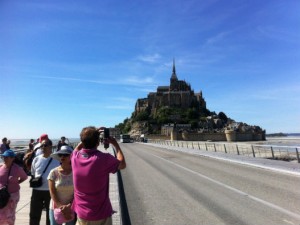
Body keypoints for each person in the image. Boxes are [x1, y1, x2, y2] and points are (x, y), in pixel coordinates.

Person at [71, 126, 126, 225]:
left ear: (82, 141)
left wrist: (90, 135)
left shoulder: (75, 157)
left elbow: (78, 148)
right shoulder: (104, 159)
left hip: (81, 214)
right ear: (98, 142)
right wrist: (115, 144)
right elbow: (122, 164)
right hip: (101, 214)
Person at [30, 139, 60, 225]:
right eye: (41, 145)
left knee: (49, 215)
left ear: (51, 146)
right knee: (34, 214)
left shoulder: (56, 160)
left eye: (45, 145)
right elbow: (33, 173)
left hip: (50, 191)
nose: (43, 147)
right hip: (37, 190)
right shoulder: (36, 159)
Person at [48, 145, 75, 225]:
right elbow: (52, 192)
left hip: (71, 207)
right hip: (55, 207)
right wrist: (61, 207)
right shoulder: (54, 172)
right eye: (60, 155)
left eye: (65, 155)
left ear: (71, 156)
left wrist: (69, 206)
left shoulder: (76, 172)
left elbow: (78, 191)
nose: (62, 156)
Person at [0, 149, 28, 224]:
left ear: (12, 158)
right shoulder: (1, 167)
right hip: (1, 195)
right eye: (4, 157)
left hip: (12, 196)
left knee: (10, 215)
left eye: (7, 157)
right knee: (1, 215)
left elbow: (25, 177)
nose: (5, 159)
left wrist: (17, 182)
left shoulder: (17, 169)